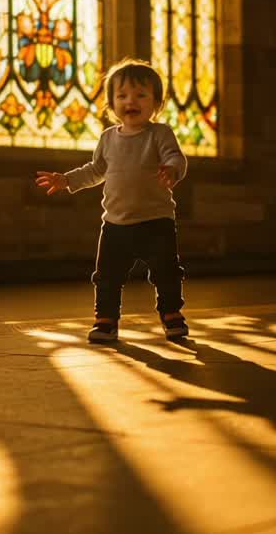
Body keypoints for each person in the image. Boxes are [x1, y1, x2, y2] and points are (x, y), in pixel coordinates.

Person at [35, 59, 189, 343]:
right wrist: (66, 180)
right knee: (106, 276)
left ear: (156, 102)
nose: (131, 101)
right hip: (115, 224)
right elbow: (95, 171)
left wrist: (172, 169)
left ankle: (171, 314)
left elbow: (175, 157)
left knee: (166, 271)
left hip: (156, 221)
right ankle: (106, 319)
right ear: (110, 105)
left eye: (141, 95)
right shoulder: (108, 138)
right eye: (122, 96)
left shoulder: (160, 133)